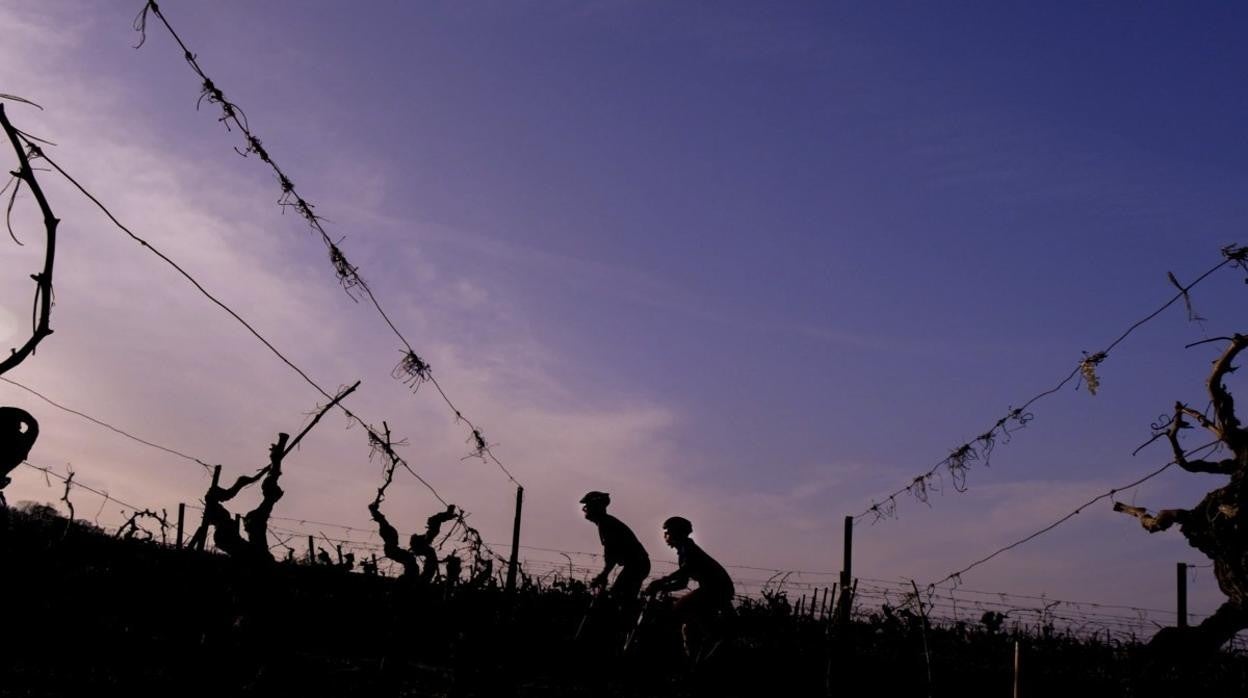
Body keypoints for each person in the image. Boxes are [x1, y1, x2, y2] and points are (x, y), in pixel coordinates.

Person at [644, 516, 735, 659]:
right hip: (717, 589)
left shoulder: (687, 549)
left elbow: (684, 572)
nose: (665, 536)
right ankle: (696, 658)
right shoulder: (685, 549)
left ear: (675, 532)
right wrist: (665, 587)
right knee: (690, 626)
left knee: (681, 610)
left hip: (715, 589)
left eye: (667, 532)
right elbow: (682, 582)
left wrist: (661, 583)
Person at [580, 491, 651, 613]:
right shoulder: (606, 523)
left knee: (619, 597)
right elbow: (611, 553)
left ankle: (628, 626)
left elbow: (612, 553)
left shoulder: (606, 524)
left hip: (637, 565)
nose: (584, 509)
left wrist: (604, 574)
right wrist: (605, 573)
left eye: (587, 506)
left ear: (596, 507)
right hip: (637, 564)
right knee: (620, 597)